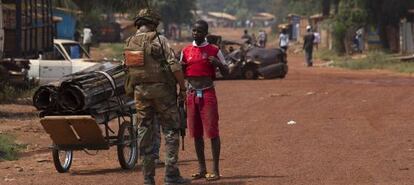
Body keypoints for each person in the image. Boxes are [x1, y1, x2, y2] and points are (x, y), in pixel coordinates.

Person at [123, 8, 190, 185]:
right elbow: (174, 66)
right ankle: (171, 176)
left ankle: (148, 179)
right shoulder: (160, 40)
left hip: (140, 94)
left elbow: (128, 70)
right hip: (163, 93)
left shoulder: (129, 42)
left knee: (144, 133)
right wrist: (182, 88)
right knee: (170, 130)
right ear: (153, 23)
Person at [180, 20, 229, 182]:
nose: (196, 33)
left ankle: (215, 170)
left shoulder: (214, 50)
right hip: (191, 94)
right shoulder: (186, 50)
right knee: (196, 133)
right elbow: (181, 72)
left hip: (207, 93)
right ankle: (202, 168)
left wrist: (217, 64)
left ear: (206, 33)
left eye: (199, 31)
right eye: (194, 30)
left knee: (212, 132)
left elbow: (227, 71)